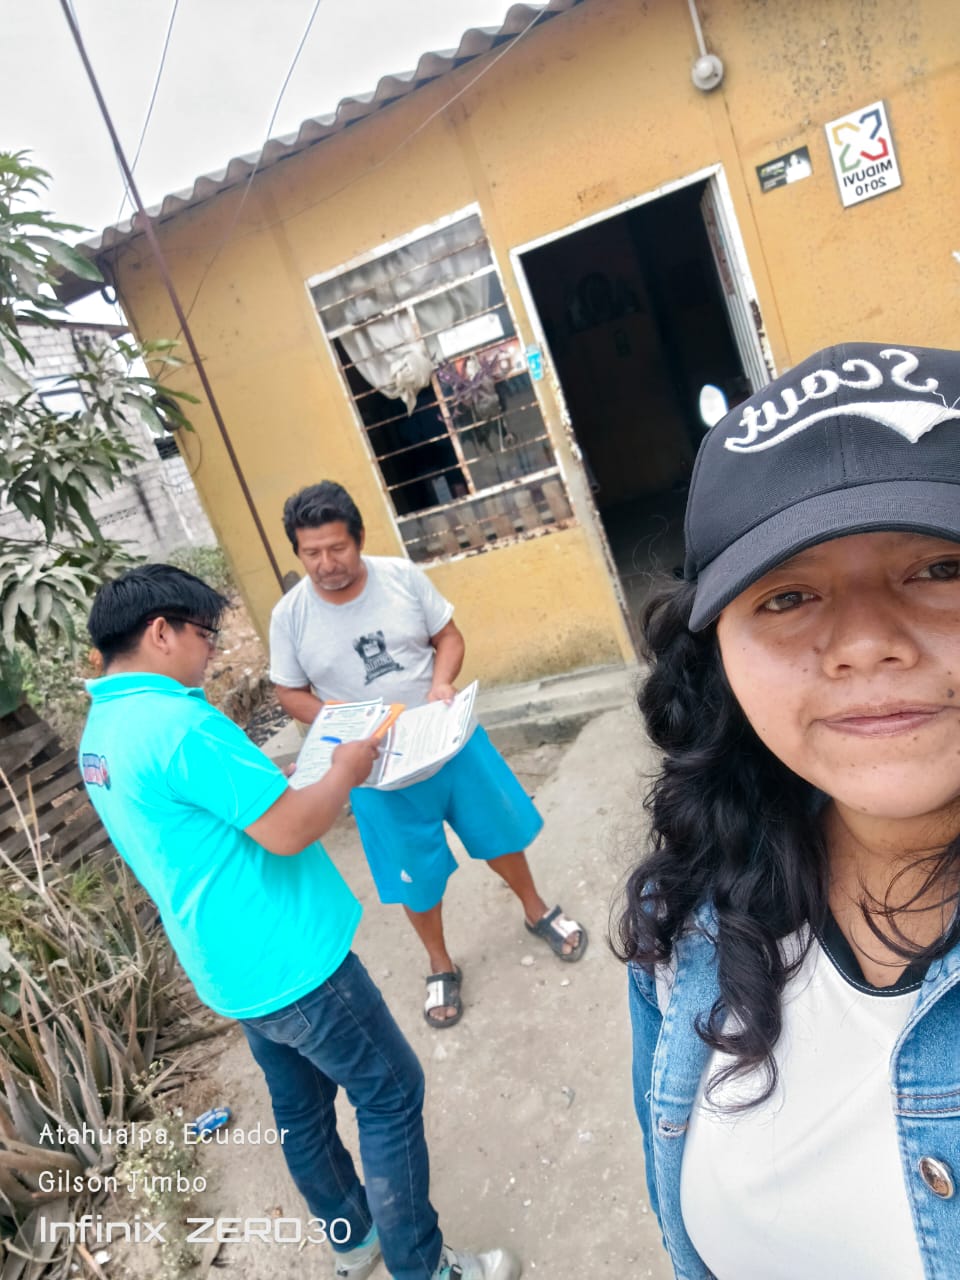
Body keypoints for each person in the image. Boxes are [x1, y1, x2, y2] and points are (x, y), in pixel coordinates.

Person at [618, 341, 960, 1279]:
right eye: (790, 595)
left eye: (940, 569)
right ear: (718, 656)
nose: (865, 644)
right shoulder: (686, 917)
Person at [79, 564, 521, 1280]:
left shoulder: (103, 731)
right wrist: (346, 768)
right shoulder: (178, 724)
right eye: (204, 635)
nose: (210, 652)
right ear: (160, 632)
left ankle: (353, 1238)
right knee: (390, 1093)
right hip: (293, 959)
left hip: (229, 965)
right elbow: (288, 832)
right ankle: (424, 1267)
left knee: (302, 1110)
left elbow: (199, 820)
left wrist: (282, 784)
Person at [269, 481, 586, 1028]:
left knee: (498, 835)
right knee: (413, 875)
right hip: (374, 772)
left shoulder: (400, 577)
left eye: (337, 548)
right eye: (311, 553)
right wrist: (334, 717)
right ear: (297, 552)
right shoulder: (290, 616)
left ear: (359, 538)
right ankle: (440, 963)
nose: (325, 564)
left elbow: (449, 637)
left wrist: (442, 682)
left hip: (448, 744)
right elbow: (289, 692)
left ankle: (536, 909)